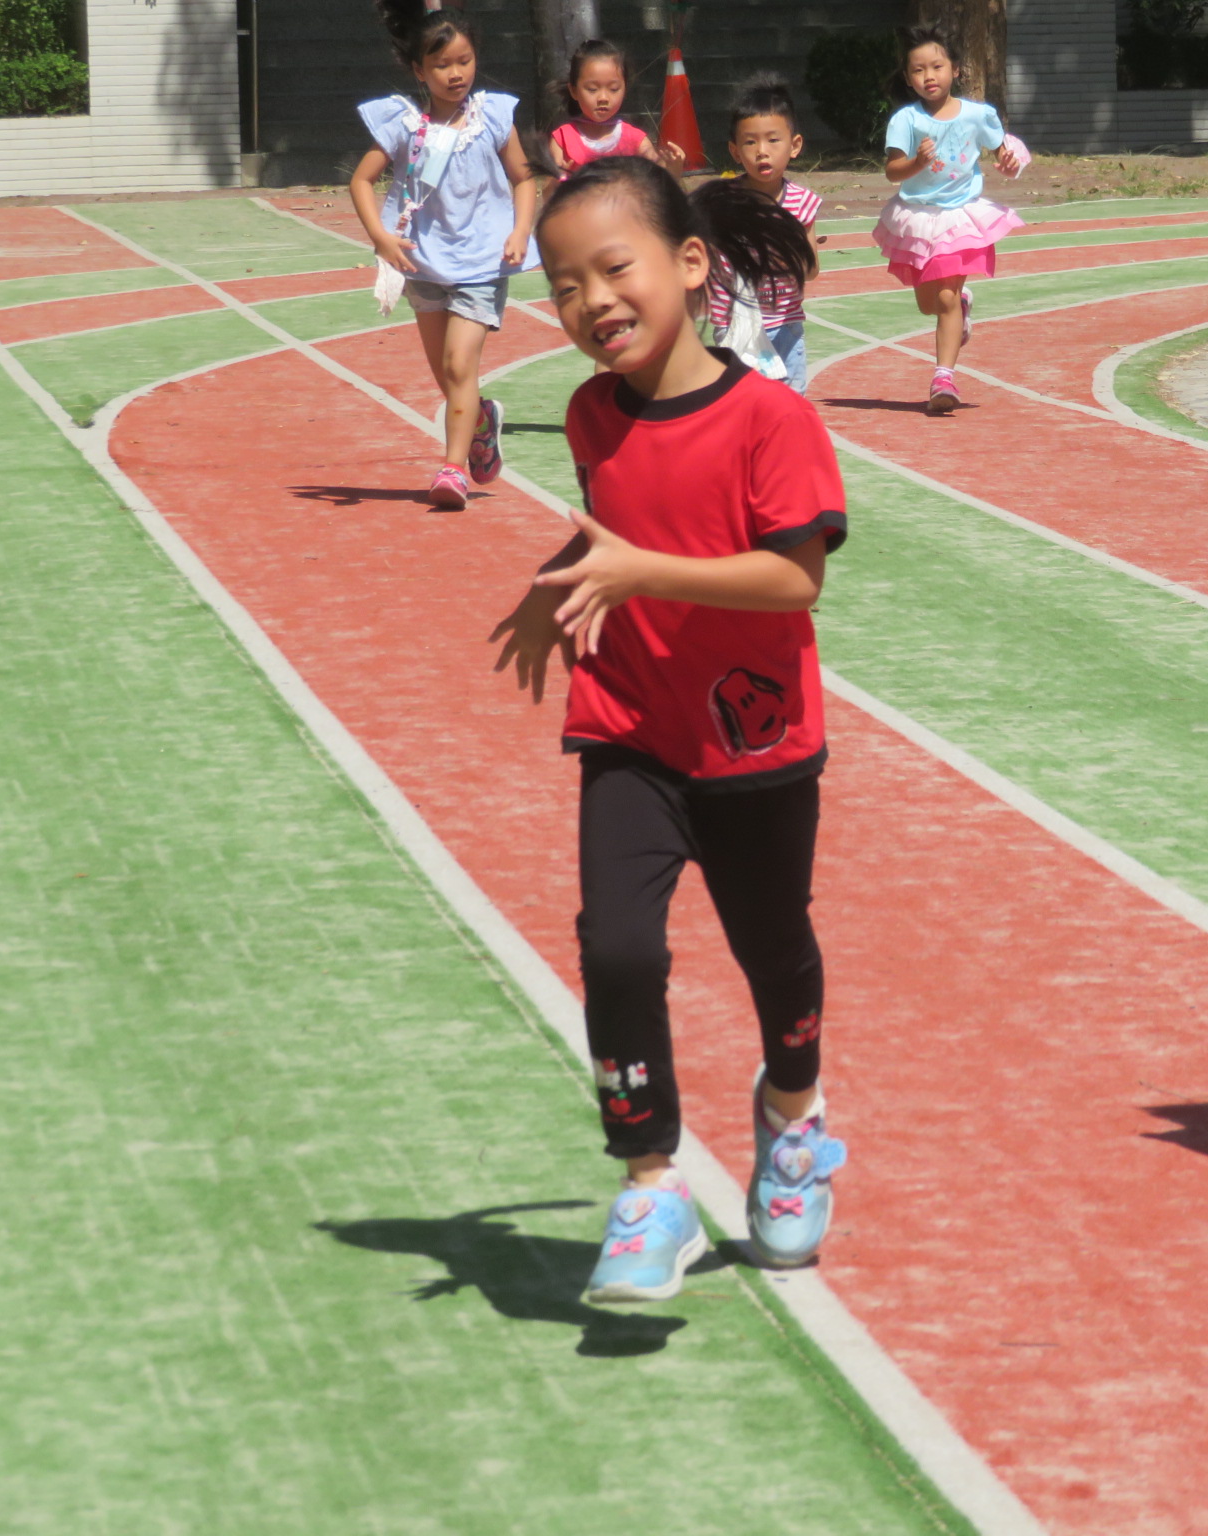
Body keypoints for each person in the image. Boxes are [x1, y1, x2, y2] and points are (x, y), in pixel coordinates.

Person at [489, 156, 845, 1303]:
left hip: (754, 746)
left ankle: (792, 1117)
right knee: (617, 951)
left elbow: (793, 580)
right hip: (630, 727)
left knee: (773, 952)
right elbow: (615, 524)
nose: (590, 301)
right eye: (563, 286)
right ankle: (651, 1184)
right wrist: (555, 584)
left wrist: (640, 570)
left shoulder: (772, 420)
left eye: (612, 269)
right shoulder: (590, 414)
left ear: (689, 265)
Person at [350, 0, 536, 510]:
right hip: (424, 264)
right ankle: (480, 420)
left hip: (482, 264)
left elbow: (524, 178)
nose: (456, 73)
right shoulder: (404, 123)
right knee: (448, 375)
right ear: (419, 70)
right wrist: (381, 238)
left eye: (464, 60)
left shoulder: (492, 116)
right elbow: (362, 180)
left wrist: (520, 231)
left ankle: (453, 468)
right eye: (442, 64)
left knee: (458, 364)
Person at [874, 24, 1026, 415]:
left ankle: (943, 379)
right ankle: (962, 306)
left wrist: (1010, 161)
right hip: (917, 217)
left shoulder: (978, 115)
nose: (929, 76)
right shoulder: (905, 120)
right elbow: (892, 171)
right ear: (908, 77)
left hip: (960, 216)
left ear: (955, 70)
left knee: (943, 299)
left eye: (937, 67)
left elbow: (1003, 151)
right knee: (930, 304)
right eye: (919, 69)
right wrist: (917, 162)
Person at [705, 74, 823, 393]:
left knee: (789, 403)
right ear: (734, 151)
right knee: (741, 402)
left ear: (794, 145)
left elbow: (811, 270)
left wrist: (788, 252)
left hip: (786, 325)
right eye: (750, 142)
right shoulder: (723, 201)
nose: (762, 151)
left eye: (773, 140)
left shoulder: (801, 203)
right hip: (736, 326)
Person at [547, 38, 686, 181]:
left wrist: (673, 169)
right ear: (574, 91)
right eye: (592, 89)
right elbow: (549, 191)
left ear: (625, 89)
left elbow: (660, 185)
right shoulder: (562, 140)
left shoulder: (635, 140)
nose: (603, 98)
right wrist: (557, 182)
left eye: (613, 89)